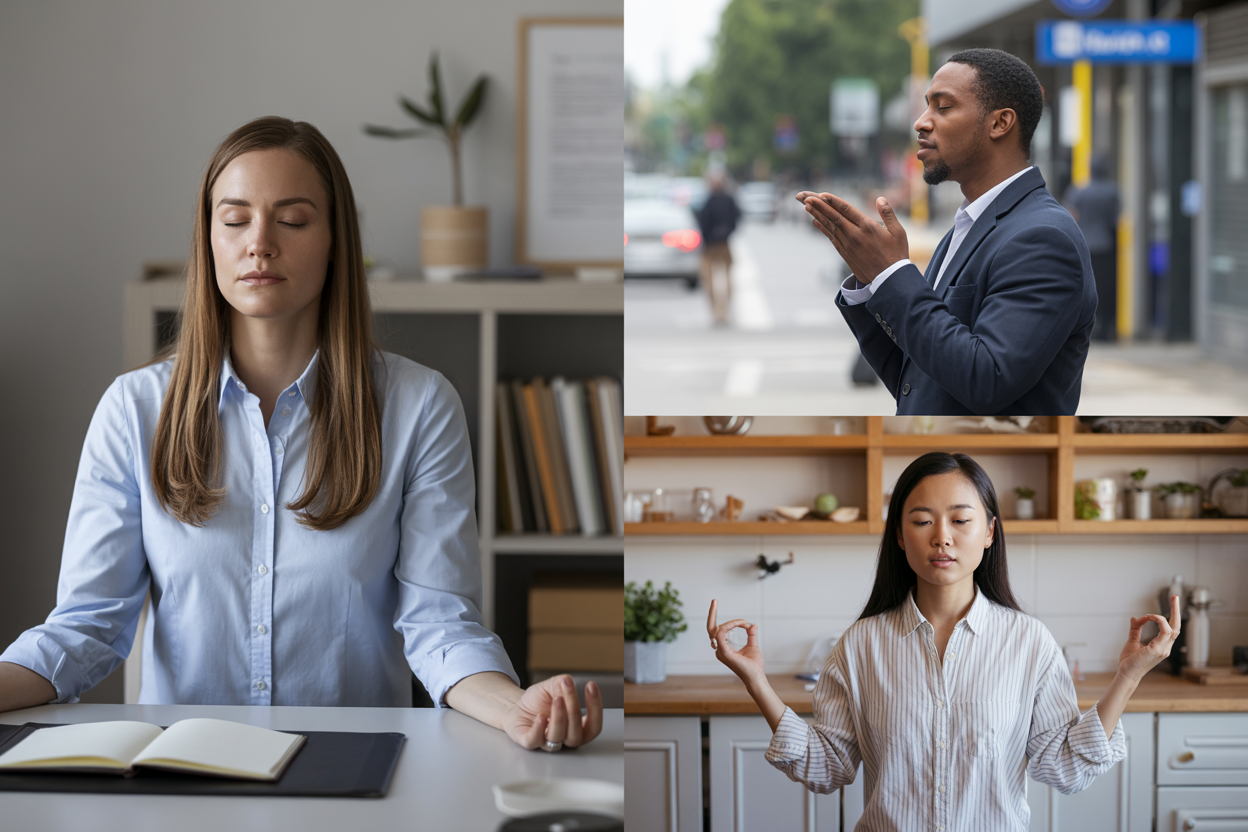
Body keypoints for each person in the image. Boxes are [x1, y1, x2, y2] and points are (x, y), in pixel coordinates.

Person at [0, 116, 601, 752]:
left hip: (354, 775)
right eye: (234, 220)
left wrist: (516, 707)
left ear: (337, 239)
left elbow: (440, 624)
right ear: (208, 240)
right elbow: (85, 629)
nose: (259, 243)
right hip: (183, 778)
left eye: (292, 220)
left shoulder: (420, 406)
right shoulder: (134, 409)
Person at [707, 452, 1179, 830]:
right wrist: (756, 682)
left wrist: (1128, 675)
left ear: (990, 531)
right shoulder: (861, 645)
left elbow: (1064, 768)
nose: (942, 538)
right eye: (921, 520)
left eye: (960, 520)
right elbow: (827, 767)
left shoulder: (1029, 642)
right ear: (898, 536)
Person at [799, 48, 1097, 414]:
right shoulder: (969, 225)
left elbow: (986, 381)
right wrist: (871, 282)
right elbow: (918, 382)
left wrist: (892, 275)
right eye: (926, 106)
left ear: (1000, 123)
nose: (921, 123)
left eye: (943, 107)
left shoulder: (1044, 238)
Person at [1065, 156, 1121, 342]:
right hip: (1107, 246)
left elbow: (1070, 217)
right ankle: (1107, 329)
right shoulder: (1112, 191)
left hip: (1085, 247)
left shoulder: (1078, 192)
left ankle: (1091, 329)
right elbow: (1116, 221)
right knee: (1107, 290)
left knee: (1088, 289)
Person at [694, 170, 741, 325]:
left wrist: (707, 239)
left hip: (711, 246)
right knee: (726, 277)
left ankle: (717, 311)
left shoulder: (709, 201)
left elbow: (703, 223)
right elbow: (737, 218)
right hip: (724, 243)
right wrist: (727, 233)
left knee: (709, 279)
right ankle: (723, 310)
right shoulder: (729, 200)